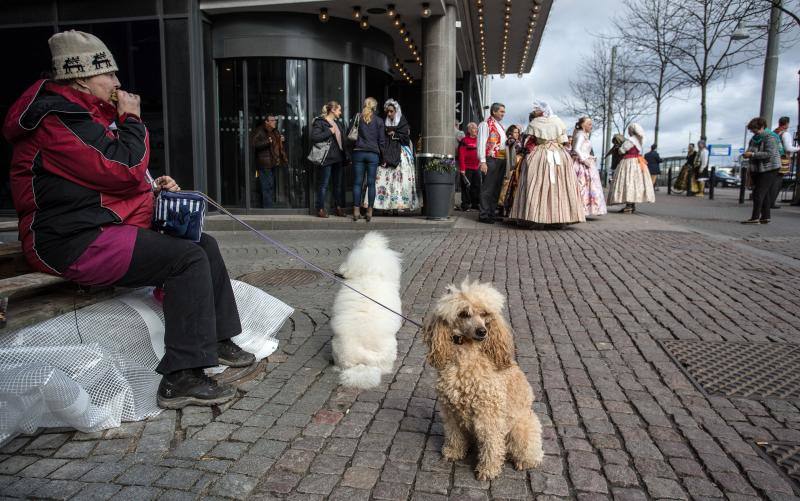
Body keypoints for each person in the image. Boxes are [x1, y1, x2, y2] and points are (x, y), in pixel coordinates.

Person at [2, 30, 254, 409]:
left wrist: (152, 189)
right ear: (81, 78)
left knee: (204, 244)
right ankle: (181, 377)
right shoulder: (57, 120)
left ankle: (216, 338)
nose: (118, 84)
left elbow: (107, 180)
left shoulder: (84, 117)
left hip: (98, 227)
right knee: (184, 259)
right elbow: (120, 168)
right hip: (69, 240)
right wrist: (133, 120)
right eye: (110, 75)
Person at [509, 101, 585, 226]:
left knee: (537, 184)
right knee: (560, 186)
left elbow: (529, 140)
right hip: (559, 156)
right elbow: (564, 141)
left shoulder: (535, 123)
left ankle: (536, 217)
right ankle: (559, 217)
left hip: (541, 155)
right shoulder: (558, 122)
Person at [370, 99, 420, 212]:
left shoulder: (402, 122)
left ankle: (398, 205)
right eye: (387, 111)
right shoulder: (384, 121)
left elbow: (405, 137)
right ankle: (385, 205)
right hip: (387, 152)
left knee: (399, 179)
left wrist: (394, 134)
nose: (389, 114)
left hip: (400, 152)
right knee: (385, 178)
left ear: (396, 111)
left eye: (391, 111)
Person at [742, 117, 783, 224]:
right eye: (751, 129)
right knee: (765, 193)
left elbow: (769, 154)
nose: (753, 131)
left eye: (754, 129)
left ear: (762, 127)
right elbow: (750, 149)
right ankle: (765, 217)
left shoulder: (770, 137)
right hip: (758, 169)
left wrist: (752, 154)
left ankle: (755, 218)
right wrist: (747, 154)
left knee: (758, 193)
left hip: (770, 168)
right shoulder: (755, 138)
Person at [607, 123, 655, 213]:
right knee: (635, 183)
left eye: (629, 130)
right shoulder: (640, 140)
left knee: (627, 182)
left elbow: (622, 151)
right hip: (638, 161)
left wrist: (619, 148)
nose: (628, 132)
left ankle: (629, 206)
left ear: (631, 131)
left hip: (629, 162)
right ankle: (632, 205)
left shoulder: (631, 140)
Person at [351, 97, 385, 222]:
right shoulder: (379, 121)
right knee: (371, 184)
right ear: (375, 107)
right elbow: (382, 141)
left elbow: (350, 134)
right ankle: (369, 212)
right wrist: (383, 157)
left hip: (358, 152)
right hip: (373, 154)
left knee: (357, 183)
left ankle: (356, 211)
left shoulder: (357, 118)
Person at [310, 101, 346, 218]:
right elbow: (314, 137)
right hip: (327, 158)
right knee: (324, 184)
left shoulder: (338, 124)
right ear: (333, 110)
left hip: (338, 158)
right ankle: (320, 209)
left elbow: (342, 142)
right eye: (339, 110)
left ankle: (338, 208)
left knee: (338, 185)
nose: (340, 112)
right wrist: (329, 131)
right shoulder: (320, 122)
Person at [476, 102, 507, 224]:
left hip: (500, 159)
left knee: (496, 188)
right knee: (488, 188)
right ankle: (483, 214)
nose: (503, 114)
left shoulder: (500, 126)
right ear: (494, 112)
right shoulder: (485, 124)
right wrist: (482, 161)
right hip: (491, 159)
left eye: (504, 111)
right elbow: (481, 143)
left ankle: (491, 212)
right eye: (501, 111)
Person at [251, 114, 288, 208]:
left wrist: (282, 140)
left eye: (275, 120)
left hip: (273, 162)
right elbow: (254, 144)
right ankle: (268, 208)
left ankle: (269, 206)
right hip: (264, 163)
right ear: (266, 122)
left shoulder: (275, 131)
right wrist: (267, 141)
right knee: (266, 186)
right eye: (272, 120)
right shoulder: (260, 130)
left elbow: (277, 146)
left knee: (270, 185)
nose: (274, 122)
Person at [572, 117, 607, 217]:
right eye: (589, 124)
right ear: (583, 125)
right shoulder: (580, 135)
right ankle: (579, 210)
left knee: (588, 187)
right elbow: (576, 149)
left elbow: (582, 150)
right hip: (581, 165)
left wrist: (590, 156)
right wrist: (584, 159)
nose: (591, 126)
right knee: (582, 186)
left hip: (585, 162)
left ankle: (584, 209)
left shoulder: (584, 135)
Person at [771, 116, 799, 209]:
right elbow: (788, 148)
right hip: (782, 159)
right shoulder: (785, 134)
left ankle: (768, 201)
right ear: (787, 124)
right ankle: (771, 202)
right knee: (778, 181)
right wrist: (798, 148)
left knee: (772, 180)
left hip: (773, 158)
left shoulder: (774, 132)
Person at [498, 125, 525, 217]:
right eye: (515, 132)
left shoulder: (518, 141)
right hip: (511, 167)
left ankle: (507, 210)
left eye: (518, 132)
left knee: (511, 188)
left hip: (516, 168)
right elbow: (510, 143)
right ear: (510, 133)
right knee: (506, 187)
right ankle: (501, 209)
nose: (517, 134)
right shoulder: (510, 140)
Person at [457, 122, 481, 211]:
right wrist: (462, 168)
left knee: (477, 186)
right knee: (466, 187)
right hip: (467, 168)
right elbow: (461, 155)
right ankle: (465, 205)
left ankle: (475, 204)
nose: (476, 130)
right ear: (469, 130)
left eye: (476, 128)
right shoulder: (464, 140)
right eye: (473, 128)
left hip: (477, 167)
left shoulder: (479, 140)